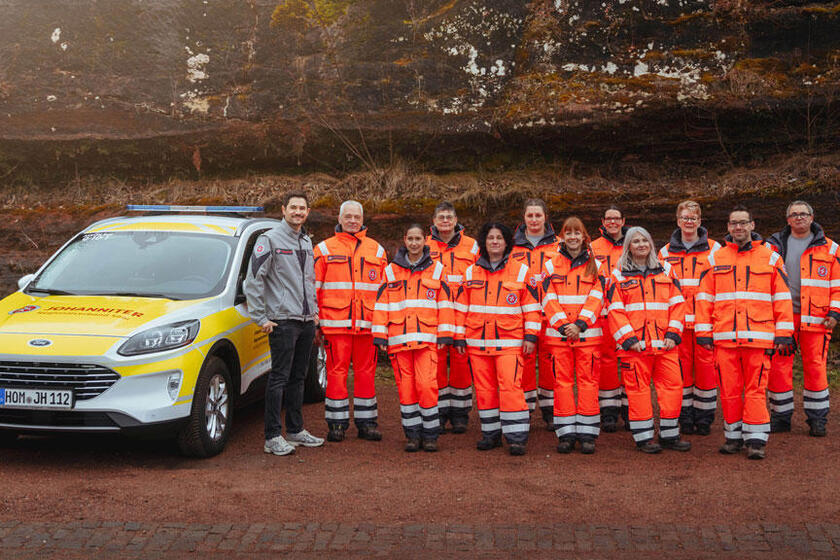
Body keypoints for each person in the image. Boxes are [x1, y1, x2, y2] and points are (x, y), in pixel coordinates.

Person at [695, 205, 795, 460]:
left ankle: (756, 439)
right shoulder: (716, 258)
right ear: (728, 227)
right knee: (728, 390)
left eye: (742, 223)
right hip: (724, 337)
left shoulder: (771, 257)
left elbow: (782, 298)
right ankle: (733, 437)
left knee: (756, 389)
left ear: (752, 225)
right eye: (733, 223)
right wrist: (703, 331)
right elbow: (704, 298)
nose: (738, 227)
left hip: (759, 338)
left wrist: (783, 333)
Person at [244, 191, 325, 455]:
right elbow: (253, 280)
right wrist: (261, 317)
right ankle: (272, 437)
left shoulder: (305, 241)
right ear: (283, 210)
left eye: (302, 208)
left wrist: (314, 313)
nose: (298, 212)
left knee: (298, 378)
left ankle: (296, 430)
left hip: (305, 321)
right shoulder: (268, 240)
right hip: (282, 322)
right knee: (279, 378)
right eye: (293, 208)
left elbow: (308, 282)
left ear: (307, 212)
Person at [454, 222, 540, 456]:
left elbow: (532, 307)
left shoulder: (521, 271)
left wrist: (531, 335)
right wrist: (459, 337)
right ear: (484, 242)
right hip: (477, 344)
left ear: (507, 242)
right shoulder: (471, 272)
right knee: (484, 389)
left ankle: (516, 437)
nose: (494, 242)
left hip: (510, 343)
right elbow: (460, 308)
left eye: (499, 238)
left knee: (511, 387)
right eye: (490, 238)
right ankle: (490, 434)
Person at [606, 227, 692, 454]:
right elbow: (615, 310)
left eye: (645, 240)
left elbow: (678, 305)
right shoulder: (618, 275)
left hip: (666, 345)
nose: (641, 244)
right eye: (635, 241)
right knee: (637, 391)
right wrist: (628, 339)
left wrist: (674, 334)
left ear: (651, 243)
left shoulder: (666, 270)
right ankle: (643, 437)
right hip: (635, 347)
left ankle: (670, 434)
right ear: (628, 247)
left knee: (673, 388)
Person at [372, 225, 455, 452]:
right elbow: (381, 305)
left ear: (424, 241)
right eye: (410, 239)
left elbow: (446, 303)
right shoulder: (390, 271)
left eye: (418, 239)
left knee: (427, 386)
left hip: (427, 341)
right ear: (405, 240)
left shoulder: (437, 270)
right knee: (406, 389)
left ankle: (430, 435)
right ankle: (412, 435)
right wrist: (380, 335)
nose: (414, 243)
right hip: (398, 341)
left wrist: (445, 334)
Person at [313, 200, 387, 442]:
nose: (353, 220)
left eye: (357, 216)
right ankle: (336, 424)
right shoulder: (323, 249)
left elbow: (386, 293)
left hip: (367, 326)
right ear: (340, 217)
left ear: (363, 219)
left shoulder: (377, 250)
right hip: (336, 325)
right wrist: (316, 322)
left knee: (367, 373)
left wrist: (383, 325)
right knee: (336, 373)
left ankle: (367, 424)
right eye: (348, 216)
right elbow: (314, 288)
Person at [765, 201, 840, 436]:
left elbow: (837, 285)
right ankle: (781, 416)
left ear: (812, 217)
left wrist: (834, 313)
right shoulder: (772, 247)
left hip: (816, 318)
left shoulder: (830, 249)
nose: (799, 218)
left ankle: (817, 419)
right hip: (782, 317)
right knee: (778, 366)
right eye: (794, 215)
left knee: (815, 367)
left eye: (803, 214)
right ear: (787, 219)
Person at [541, 217, 606, 454]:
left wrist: (580, 324)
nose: (572, 237)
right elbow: (547, 298)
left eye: (576, 233)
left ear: (584, 236)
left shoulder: (597, 265)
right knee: (563, 384)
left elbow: (598, 297)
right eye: (568, 233)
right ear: (562, 236)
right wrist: (562, 325)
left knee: (589, 384)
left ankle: (588, 434)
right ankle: (566, 433)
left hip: (587, 336)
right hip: (559, 337)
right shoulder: (551, 265)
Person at [658, 201, 721, 436]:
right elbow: (660, 289)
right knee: (680, 373)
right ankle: (684, 417)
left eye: (693, 218)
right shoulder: (664, 252)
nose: (689, 222)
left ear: (700, 221)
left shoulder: (715, 250)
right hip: (678, 324)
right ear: (677, 221)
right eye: (685, 218)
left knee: (706, 373)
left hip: (706, 323)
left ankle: (704, 419)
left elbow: (721, 288)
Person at [426, 202, 479, 433]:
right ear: (434, 221)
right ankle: (437, 412)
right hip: (433, 312)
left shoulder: (472, 246)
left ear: (456, 220)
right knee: (434, 363)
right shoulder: (425, 245)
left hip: (463, 312)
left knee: (461, 362)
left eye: (449, 217)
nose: (445, 221)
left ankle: (460, 413)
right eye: (441, 217)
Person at [511, 198, 559, 429]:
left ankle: (551, 411)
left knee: (551, 362)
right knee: (525, 362)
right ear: (524, 218)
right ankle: (526, 409)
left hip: (552, 314)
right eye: (529, 216)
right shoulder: (512, 246)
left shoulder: (558, 245)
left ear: (545, 217)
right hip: (522, 314)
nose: (533, 220)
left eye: (537, 215)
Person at [591, 205, 629, 432]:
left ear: (623, 221)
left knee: (628, 359)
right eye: (608, 219)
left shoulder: (633, 243)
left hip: (627, 312)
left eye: (617, 218)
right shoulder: (593, 247)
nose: (612, 222)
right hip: (602, 313)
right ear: (603, 221)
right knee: (605, 360)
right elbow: (587, 280)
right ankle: (608, 411)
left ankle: (630, 408)